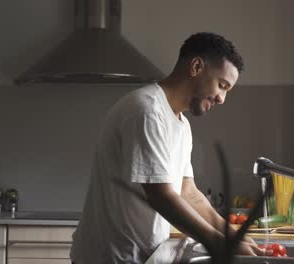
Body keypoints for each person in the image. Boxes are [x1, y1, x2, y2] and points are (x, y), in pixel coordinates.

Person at [70, 32, 269, 263]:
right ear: (196, 66)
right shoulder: (147, 111)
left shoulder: (181, 125)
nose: (222, 98)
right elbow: (160, 196)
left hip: (140, 257)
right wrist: (220, 244)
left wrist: (233, 235)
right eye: (222, 85)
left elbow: (189, 193)